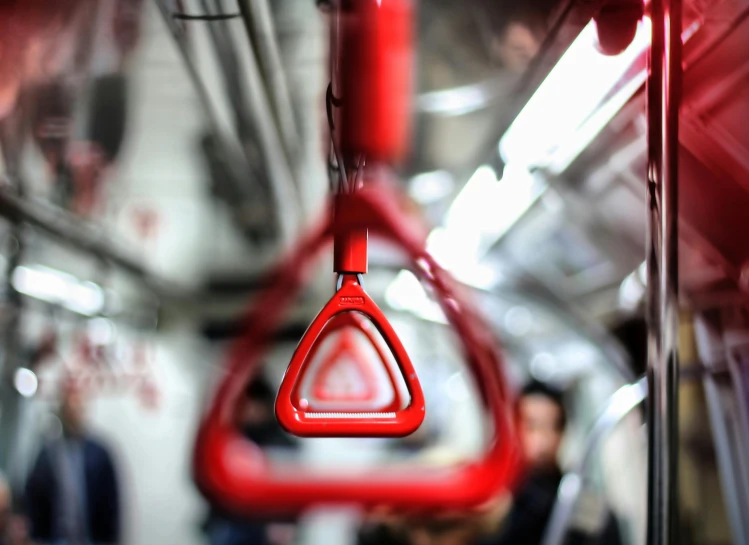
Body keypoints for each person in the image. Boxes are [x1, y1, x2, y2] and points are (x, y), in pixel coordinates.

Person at [203, 375, 298, 545]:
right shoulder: (231, 437)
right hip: (229, 522)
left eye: (254, 405)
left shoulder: (281, 443)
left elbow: (290, 491)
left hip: (264, 525)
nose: (249, 411)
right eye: (244, 405)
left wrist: (284, 523)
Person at [25, 380, 121, 545]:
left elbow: (110, 505)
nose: (74, 411)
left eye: (78, 405)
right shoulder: (49, 452)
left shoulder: (99, 453)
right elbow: (34, 497)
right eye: (69, 405)